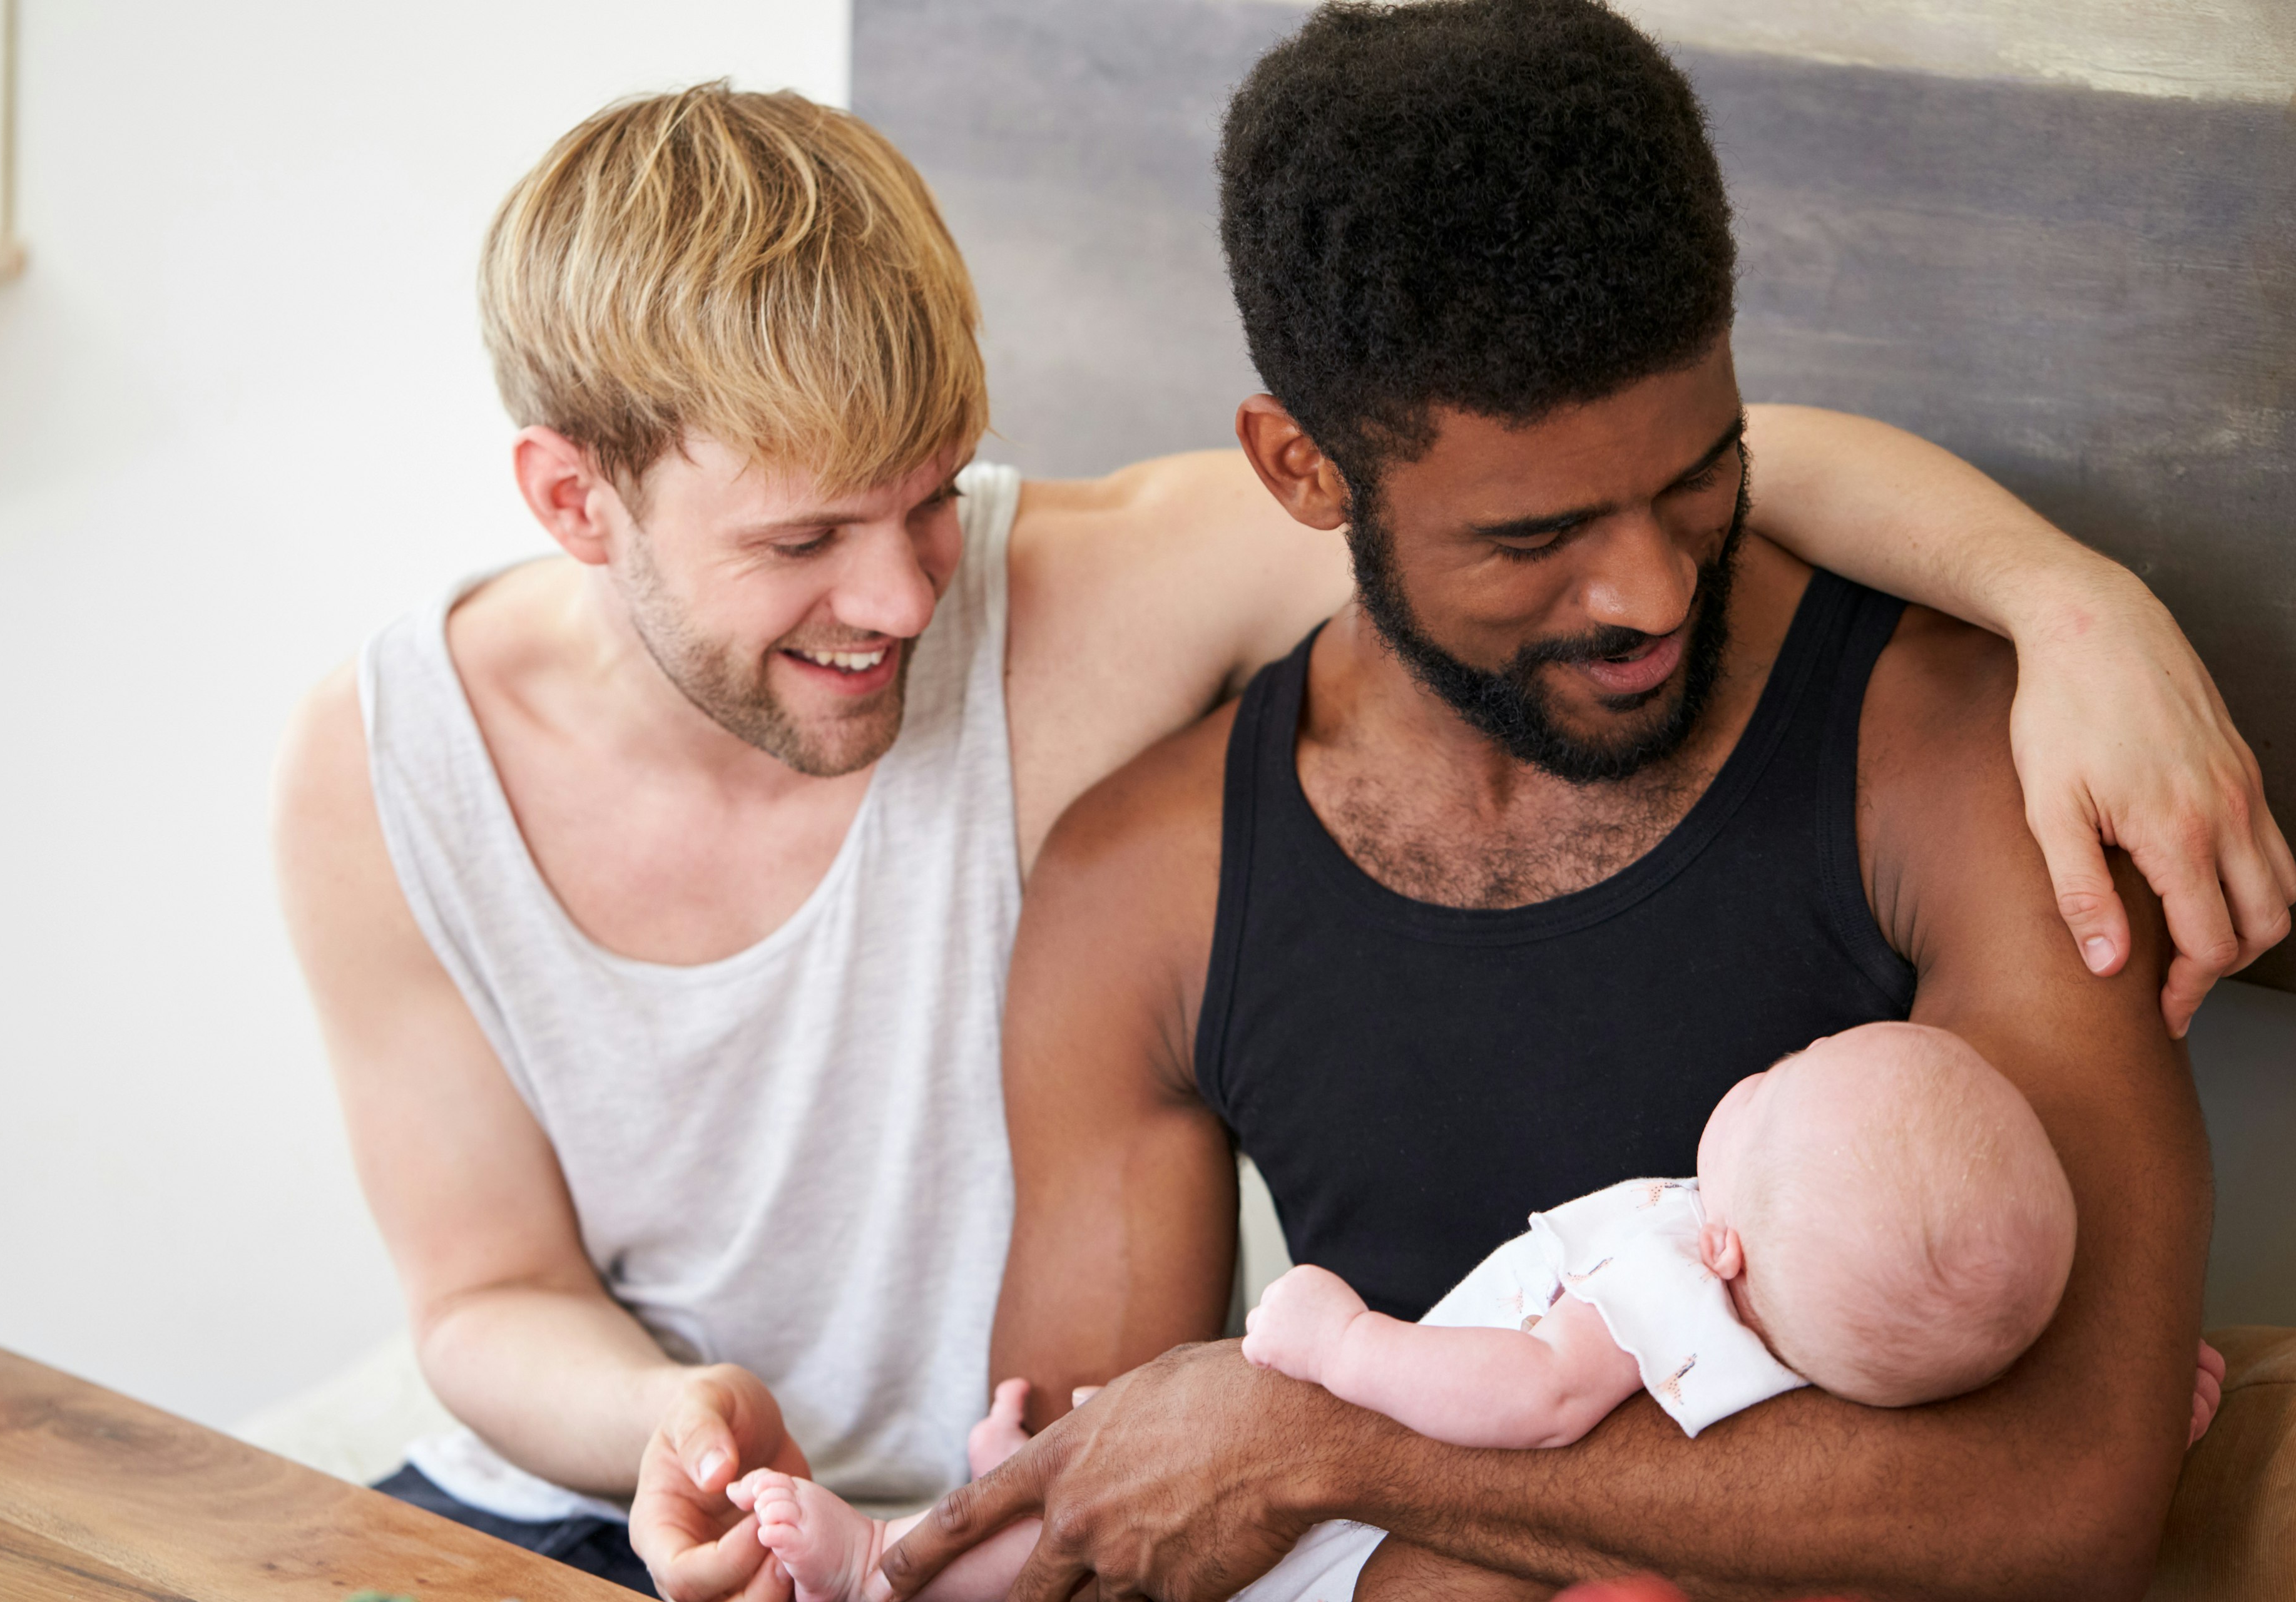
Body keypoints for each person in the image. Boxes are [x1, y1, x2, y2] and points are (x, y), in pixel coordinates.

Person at [270, 73, 2290, 1602]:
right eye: (800, 541)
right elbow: (492, 1303)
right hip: (629, 1496)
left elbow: (1601, 463)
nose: (899, 599)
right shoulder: (402, 772)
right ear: (567, 499)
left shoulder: (1082, 603)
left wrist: (2069, 600)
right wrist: (664, 1424)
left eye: (925, 496)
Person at [879, 4, 2293, 1601]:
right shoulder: (1143, 883)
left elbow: (2066, 1492)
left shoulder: (1963, 753)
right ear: (1303, 472)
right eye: (1536, 533)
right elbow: (1084, 1527)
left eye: (1700, 469)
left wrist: (1336, 1446)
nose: (1653, 587)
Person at [717, 1023, 2223, 1602]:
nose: (1762, 1072)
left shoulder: (1670, 1283)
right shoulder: (1837, 1352)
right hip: (1376, 1508)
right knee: (1110, 1460)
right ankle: (972, 1499)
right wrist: (2160, 1409)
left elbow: (1531, 1396)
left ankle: (878, 1565)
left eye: (1778, 1092)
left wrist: (1330, 1347)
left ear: (1737, 1240)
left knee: (1108, 1543)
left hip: (1342, 1517)